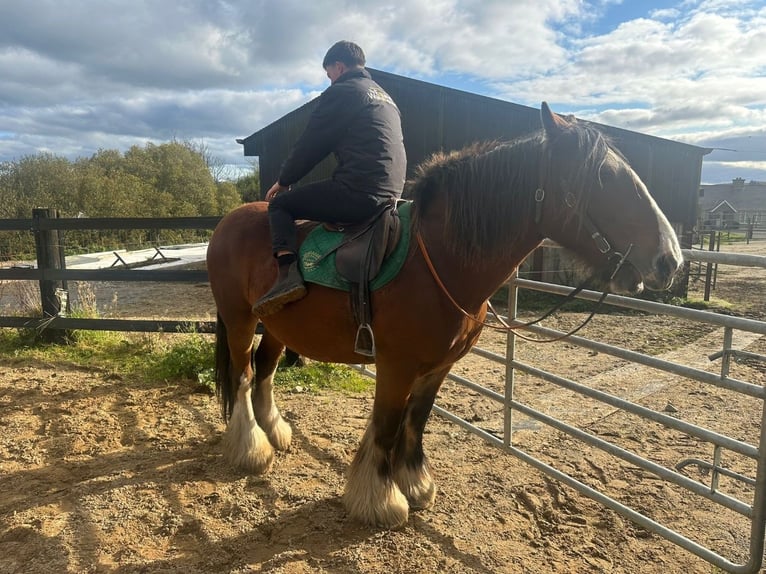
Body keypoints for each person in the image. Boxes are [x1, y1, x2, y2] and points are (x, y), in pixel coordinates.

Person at [252, 40, 407, 316]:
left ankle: (287, 277)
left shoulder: (344, 92)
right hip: (392, 195)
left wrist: (285, 180)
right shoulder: (385, 97)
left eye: (329, 74)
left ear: (339, 66)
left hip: (358, 192)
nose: (329, 80)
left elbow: (312, 143)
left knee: (281, 205)